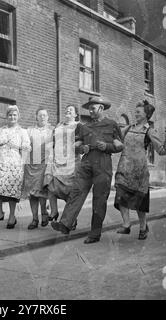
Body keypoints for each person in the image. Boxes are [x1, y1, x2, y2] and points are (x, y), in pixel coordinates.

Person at [51, 97, 124, 244]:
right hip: (86, 162)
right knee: (76, 191)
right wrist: (80, 148)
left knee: (99, 198)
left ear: (101, 108)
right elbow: (76, 144)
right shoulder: (83, 126)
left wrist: (108, 147)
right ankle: (65, 224)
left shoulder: (112, 124)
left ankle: (95, 233)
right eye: (89, 108)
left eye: (93, 108)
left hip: (103, 163)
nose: (90, 110)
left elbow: (120, 145)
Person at [114, 101, 166, 240]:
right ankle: (126, 224)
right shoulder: (128, 128)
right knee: (120, 194)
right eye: (135, 111)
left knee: (139, 202)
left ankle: (143, 227)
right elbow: (116, 137)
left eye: (139, 111)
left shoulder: (149, 130)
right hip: (124, 169)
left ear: (146, 114)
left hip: (139, 172)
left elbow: (160, 150)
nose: (136, 113)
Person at [0, 105, 31, 229]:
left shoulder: (23, 131)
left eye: (14, 115)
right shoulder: (1, 130)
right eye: (10, 115)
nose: (12, 117)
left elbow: (27, 147)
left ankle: (12, 216)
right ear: (6, 116)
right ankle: (0, 212)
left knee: (12, 190)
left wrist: (22, 162)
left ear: (18, 117)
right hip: (1, 162)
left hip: (15, 163)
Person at [44, 105, 82, 229]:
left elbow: (83, 140)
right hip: (58, 162)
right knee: (51, 187)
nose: (68, 111)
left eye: (71, 110)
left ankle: (72, 220)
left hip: (72, 163)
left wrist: (77, 144)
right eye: (66, 109)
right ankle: (54, 211)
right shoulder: (59, 126)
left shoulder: (79, 126)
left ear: (75, 114)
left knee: (69, 193)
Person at [23, 107, 54, 230]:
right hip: (31, 164)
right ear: (36, 116)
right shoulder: (30, 130)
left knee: (41, 191)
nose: (42, 117)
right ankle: (35, 218)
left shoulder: (52, 130)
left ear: (48, 117)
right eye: (40, 115)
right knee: (32, 193)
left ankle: (44, 214)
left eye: (44, 115)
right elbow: (25, 143)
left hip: (44, 163)